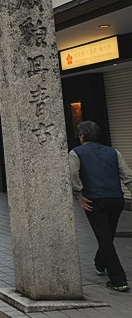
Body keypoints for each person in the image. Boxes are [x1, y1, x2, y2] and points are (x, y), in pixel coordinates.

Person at [70, 121, 132, 292]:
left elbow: (73, 174)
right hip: (116, 199)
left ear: (82, 136)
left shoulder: (76, 153)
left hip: (94, 201)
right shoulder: (114, 152)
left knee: (104, 238)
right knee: (107, 235)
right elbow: (127, 175)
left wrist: (79, 195)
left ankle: (119, 280)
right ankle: (100, 263)